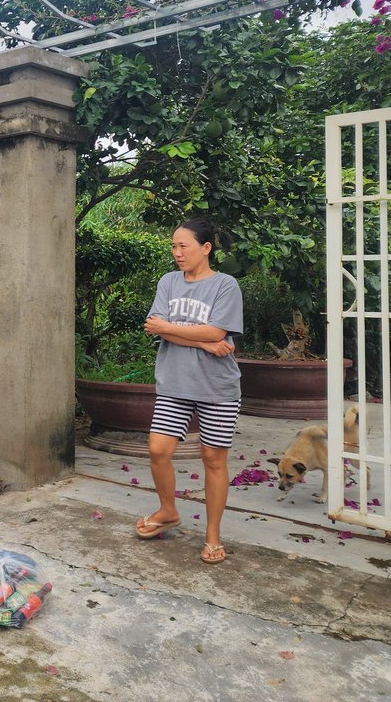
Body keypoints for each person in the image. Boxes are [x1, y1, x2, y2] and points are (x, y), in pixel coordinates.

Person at [135, 217, 244, 564]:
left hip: (217, 387)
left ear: (205, 248)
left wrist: (205, 337)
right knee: (158, 449)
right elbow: (156, 327)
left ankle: (212, 536)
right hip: (175, 383)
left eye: (183, 246)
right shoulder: (168, 282)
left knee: (213, 459)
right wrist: (206, 342)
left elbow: (216, 332)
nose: (177, 252)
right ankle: (168, 510)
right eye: (174, 246)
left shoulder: (225, 286)